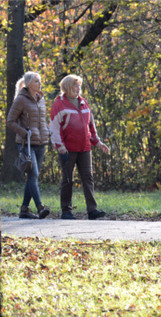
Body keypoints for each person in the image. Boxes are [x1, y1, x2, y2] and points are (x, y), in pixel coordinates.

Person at [49, 74, 109, 220]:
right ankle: (66, 211)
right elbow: (54, 127)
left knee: (88, 178)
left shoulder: (84, 103)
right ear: (66, 88)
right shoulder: (59, 104)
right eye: (74, 86)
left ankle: (92, 210)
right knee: (68, 179)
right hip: (67, 149)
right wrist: (59, 145)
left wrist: (98, 142)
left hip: (85, 147)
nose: (78, 89)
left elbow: (91, 125)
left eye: (79, 86)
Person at [7, 71, 51, 219]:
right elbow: (10, 121)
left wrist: (47, 132)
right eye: (37, 81)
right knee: (34, 174)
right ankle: (40, 207)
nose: (40, 83)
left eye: (40, 80)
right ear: (29, 84)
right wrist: (24, 133)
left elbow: (41, 120)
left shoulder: (41, 98)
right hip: (27, 143)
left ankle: (24, 210)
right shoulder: (20, 99)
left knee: (33, 177)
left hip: (41, 142)